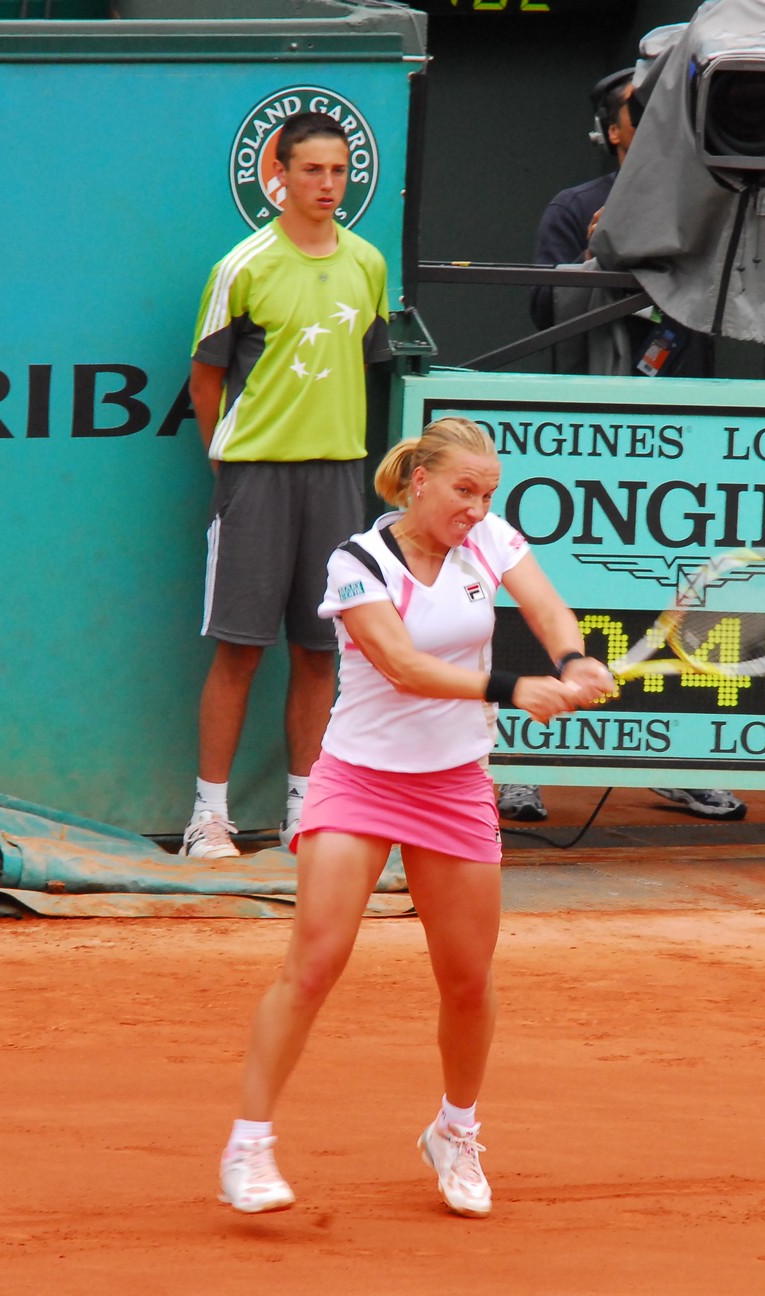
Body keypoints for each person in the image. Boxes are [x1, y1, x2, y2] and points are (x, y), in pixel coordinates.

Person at [218, 416, 616, 1218]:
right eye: (464, 491)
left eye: (488, 494)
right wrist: (512, 689)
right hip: (359, 780)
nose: (477, 508)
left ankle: (455, 1131)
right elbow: (400, 665)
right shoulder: (357, 561)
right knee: (314, 963)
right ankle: (248, 1145)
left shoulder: (488, 540)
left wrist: (573, 659)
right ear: (419, 481)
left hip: (454, 785)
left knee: (467, 981)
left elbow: (546, 608)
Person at [499, 69, 743, 828]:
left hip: (686, 440)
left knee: (682, 599)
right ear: (615, 131)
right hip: (588, 443)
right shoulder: (573, 207)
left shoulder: (714, 204)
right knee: (561, 597)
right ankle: (524, 768)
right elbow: (544, 308)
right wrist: (597, 254)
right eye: (645, 111)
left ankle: (680, 763)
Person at [185, 110, 394, 860]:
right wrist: (228, 461)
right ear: (280, 174)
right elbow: (205, 378)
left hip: (338, 479)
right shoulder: (242, 267)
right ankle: (208, 818)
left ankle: (306, 812)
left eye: (339, 171)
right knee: (239, 652)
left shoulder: (368, 264)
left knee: (319, 652)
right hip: (256, 479)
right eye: (312, 170)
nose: (328, 184)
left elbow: (368, 361)